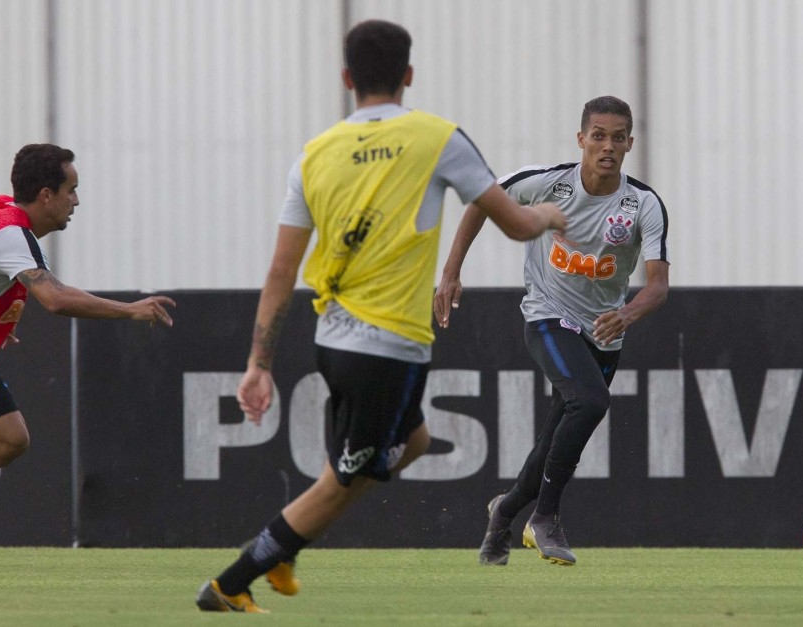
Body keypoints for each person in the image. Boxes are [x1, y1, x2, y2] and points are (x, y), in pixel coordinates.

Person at [195, 19, 565, 613]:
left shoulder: (315, 155)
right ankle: (232, 581)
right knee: (340, 482)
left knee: (413, 439)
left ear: (346, 78)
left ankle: (287, 545)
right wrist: (548, 214)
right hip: (384, 350)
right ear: (409, 76)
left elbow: (281, 272)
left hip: (337, 341)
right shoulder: (438, 137)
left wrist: (257, 364)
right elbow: (517, 222)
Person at [434, 96, 670, 567]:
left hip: (604, 330)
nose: (607, 146)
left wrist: (626, 314)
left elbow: (658, 286)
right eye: (598, 136)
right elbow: (482, 201)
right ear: (580, 139)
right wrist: (451, 272)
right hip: (547, 315)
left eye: (617, 137)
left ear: (629, 143)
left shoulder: (642, 203)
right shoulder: (546, 183)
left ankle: (502, 516)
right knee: (591, 402)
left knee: (552, 441)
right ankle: (545, 517)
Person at [0, 144, 176, 557]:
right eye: (71, 190)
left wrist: (1, 308)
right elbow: (56, 299)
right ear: (46, 195)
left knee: (7, 439)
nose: (77, 200)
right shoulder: (9, 235)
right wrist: (130, 310)